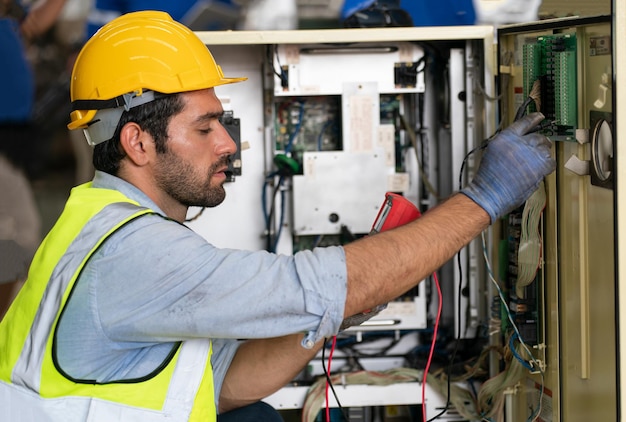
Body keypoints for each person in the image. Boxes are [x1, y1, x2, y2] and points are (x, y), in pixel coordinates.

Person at [0, 10, 555, 422]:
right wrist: (485, 198)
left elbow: (223, 383)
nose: (228, 144)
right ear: (137, 143)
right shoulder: (136, 255)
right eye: (204, 128)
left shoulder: (99, 219)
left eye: (223, 122)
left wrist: (338, 310)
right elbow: (315, 284)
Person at [0, 0, 68, 318]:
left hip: (13, 138)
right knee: (18, 233)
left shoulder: (8, 16)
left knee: (16, 235)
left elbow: (34, 24)